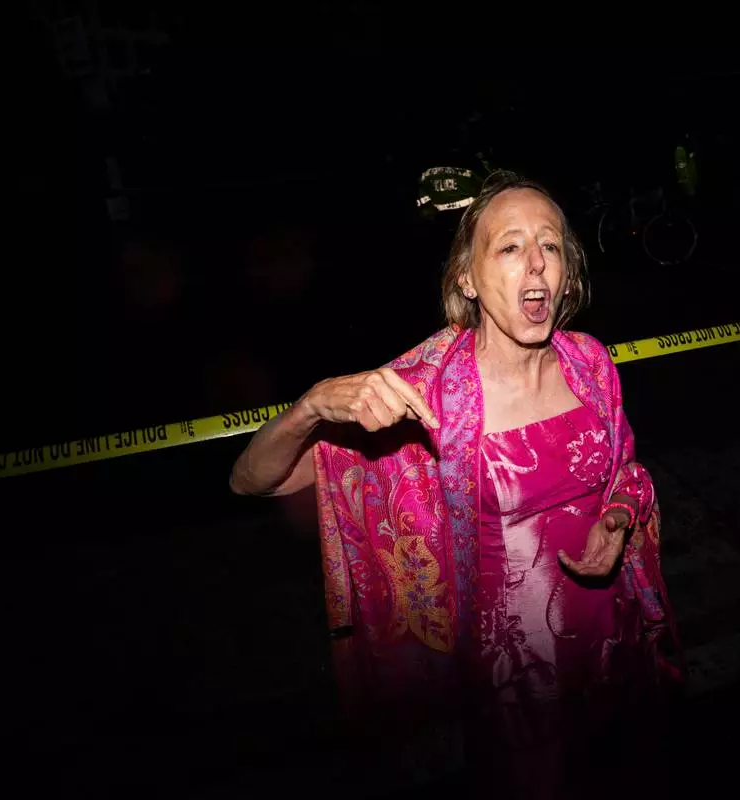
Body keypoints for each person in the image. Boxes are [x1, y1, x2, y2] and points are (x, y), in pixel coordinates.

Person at [230, 171, 680, 797]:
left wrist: (617, 519)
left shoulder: (590, 362)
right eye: (510, 246)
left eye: (550, 245)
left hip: (613, 640)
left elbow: (626, 471)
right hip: (513, 676)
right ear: (467, 277)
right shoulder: (424, 395)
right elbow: (251, 480)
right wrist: (311, 405)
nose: (536, 264)